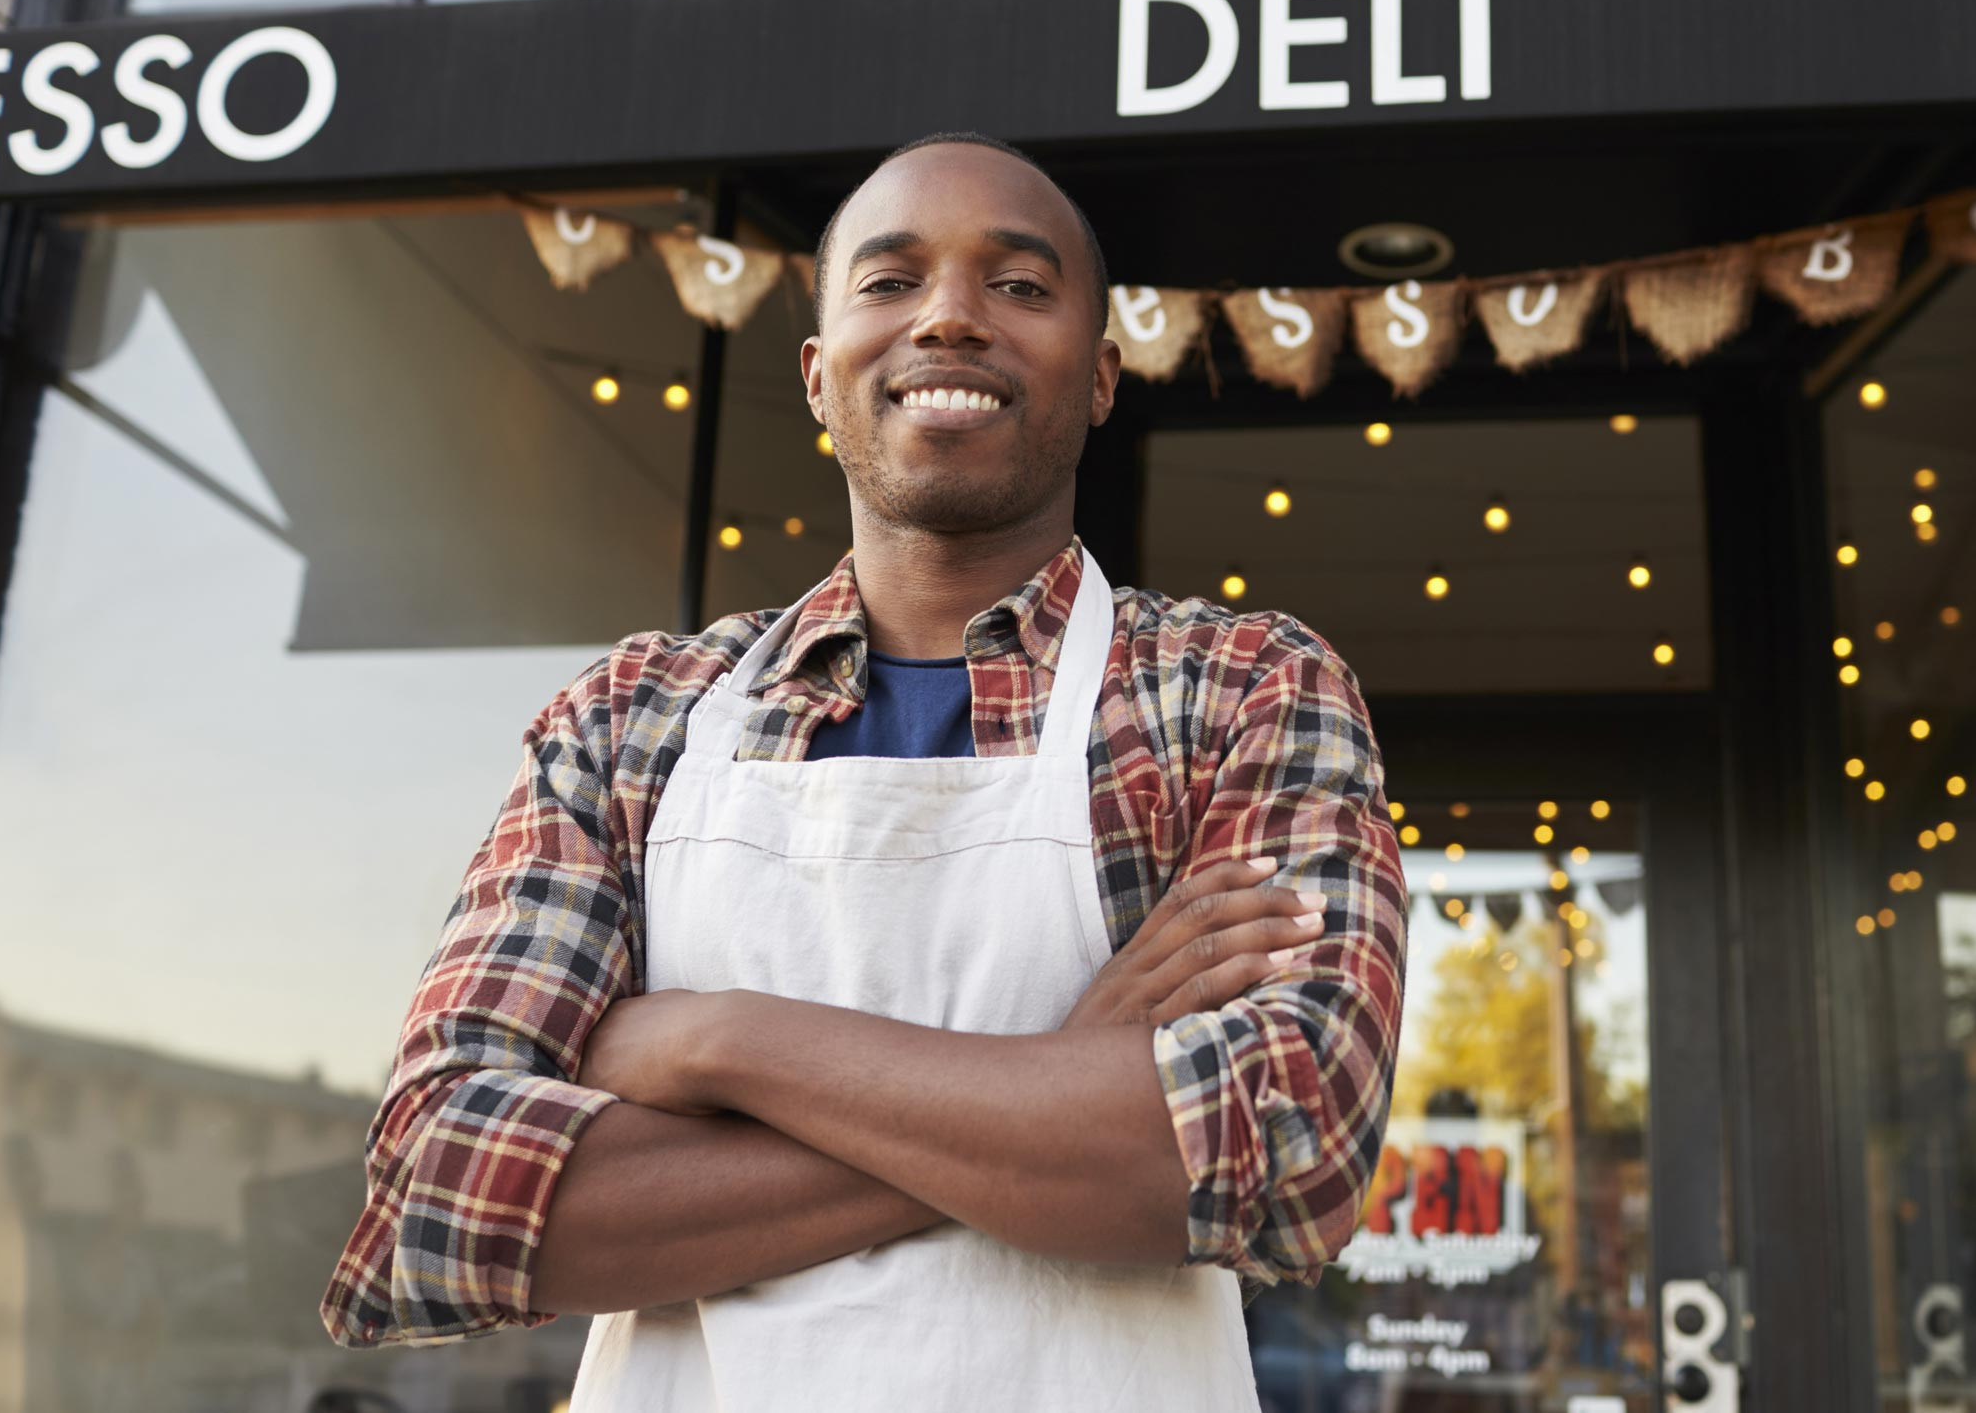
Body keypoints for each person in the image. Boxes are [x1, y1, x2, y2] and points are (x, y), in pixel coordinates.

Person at [319, 133, 1408, 1410]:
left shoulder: (1241, 688)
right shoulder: (630, 718)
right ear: (816, 375)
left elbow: (1287, 1149)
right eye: (889, 282)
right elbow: (444, 1196)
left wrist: (722, 1041)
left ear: (1102, 375)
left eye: (1020, 284)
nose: (949, 316)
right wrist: (1063, 1070)